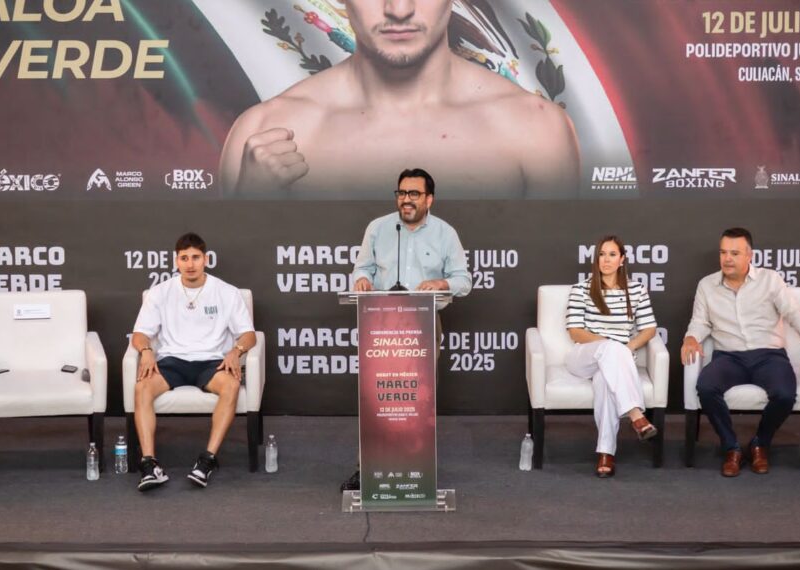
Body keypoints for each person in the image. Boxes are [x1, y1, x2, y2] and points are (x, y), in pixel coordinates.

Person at [219, 0, 579, 199]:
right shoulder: (265, 133)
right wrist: (254, 203)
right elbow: (238, 298)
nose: (400, 9)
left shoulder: (535, 130)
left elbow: (550, 292)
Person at [341, 167, 471, 490]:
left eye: (414, 194)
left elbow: (464, 281)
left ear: (430, 199)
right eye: (401, 193)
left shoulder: (445, 233)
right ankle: (368, 468)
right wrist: (362, 280)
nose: (406, 200)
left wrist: (441, 282)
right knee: (378, 397)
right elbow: (363, 268)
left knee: (418, 398)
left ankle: (417, 469)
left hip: (424, 324)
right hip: (382, 324)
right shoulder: (379, 228)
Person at [680, 228, 800, 477]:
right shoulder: (707, 285)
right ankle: (732, 448)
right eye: (723, 252)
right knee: (706, 387)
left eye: (734, 253)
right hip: (729, 356)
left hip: (768, 355)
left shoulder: (770, 280)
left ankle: (760, 443)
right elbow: (700, 321)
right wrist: (691, 339)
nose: (727, 258)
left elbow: (793, 314)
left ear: (750, 255)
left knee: (784, 394)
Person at [130, 233, 256, 491]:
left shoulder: (226, 292)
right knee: (142, 386)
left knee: (231, 385)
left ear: (205, 259)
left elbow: (249, 334)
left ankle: (207, 460)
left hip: (211, 361)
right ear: (176, 261)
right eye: (184, 258)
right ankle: (149, 463)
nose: (190, 264)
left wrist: (236, 351)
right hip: (172, 360)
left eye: (196, 257)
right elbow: (141, 333)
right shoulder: (160, 292)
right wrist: (145, 351)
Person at [566, 236, 658, 477]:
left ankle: (606, 453)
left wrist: (626, 348)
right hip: (583, 356)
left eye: (612, 254)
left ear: (622, 259)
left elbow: (649, 329)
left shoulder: (636, 290)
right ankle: (636, 415)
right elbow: (575, 331)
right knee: (611, 348)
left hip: (616, 360)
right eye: (602, 254)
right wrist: (612, 346)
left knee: (605, 382)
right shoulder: (581, 289)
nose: (606, 260)